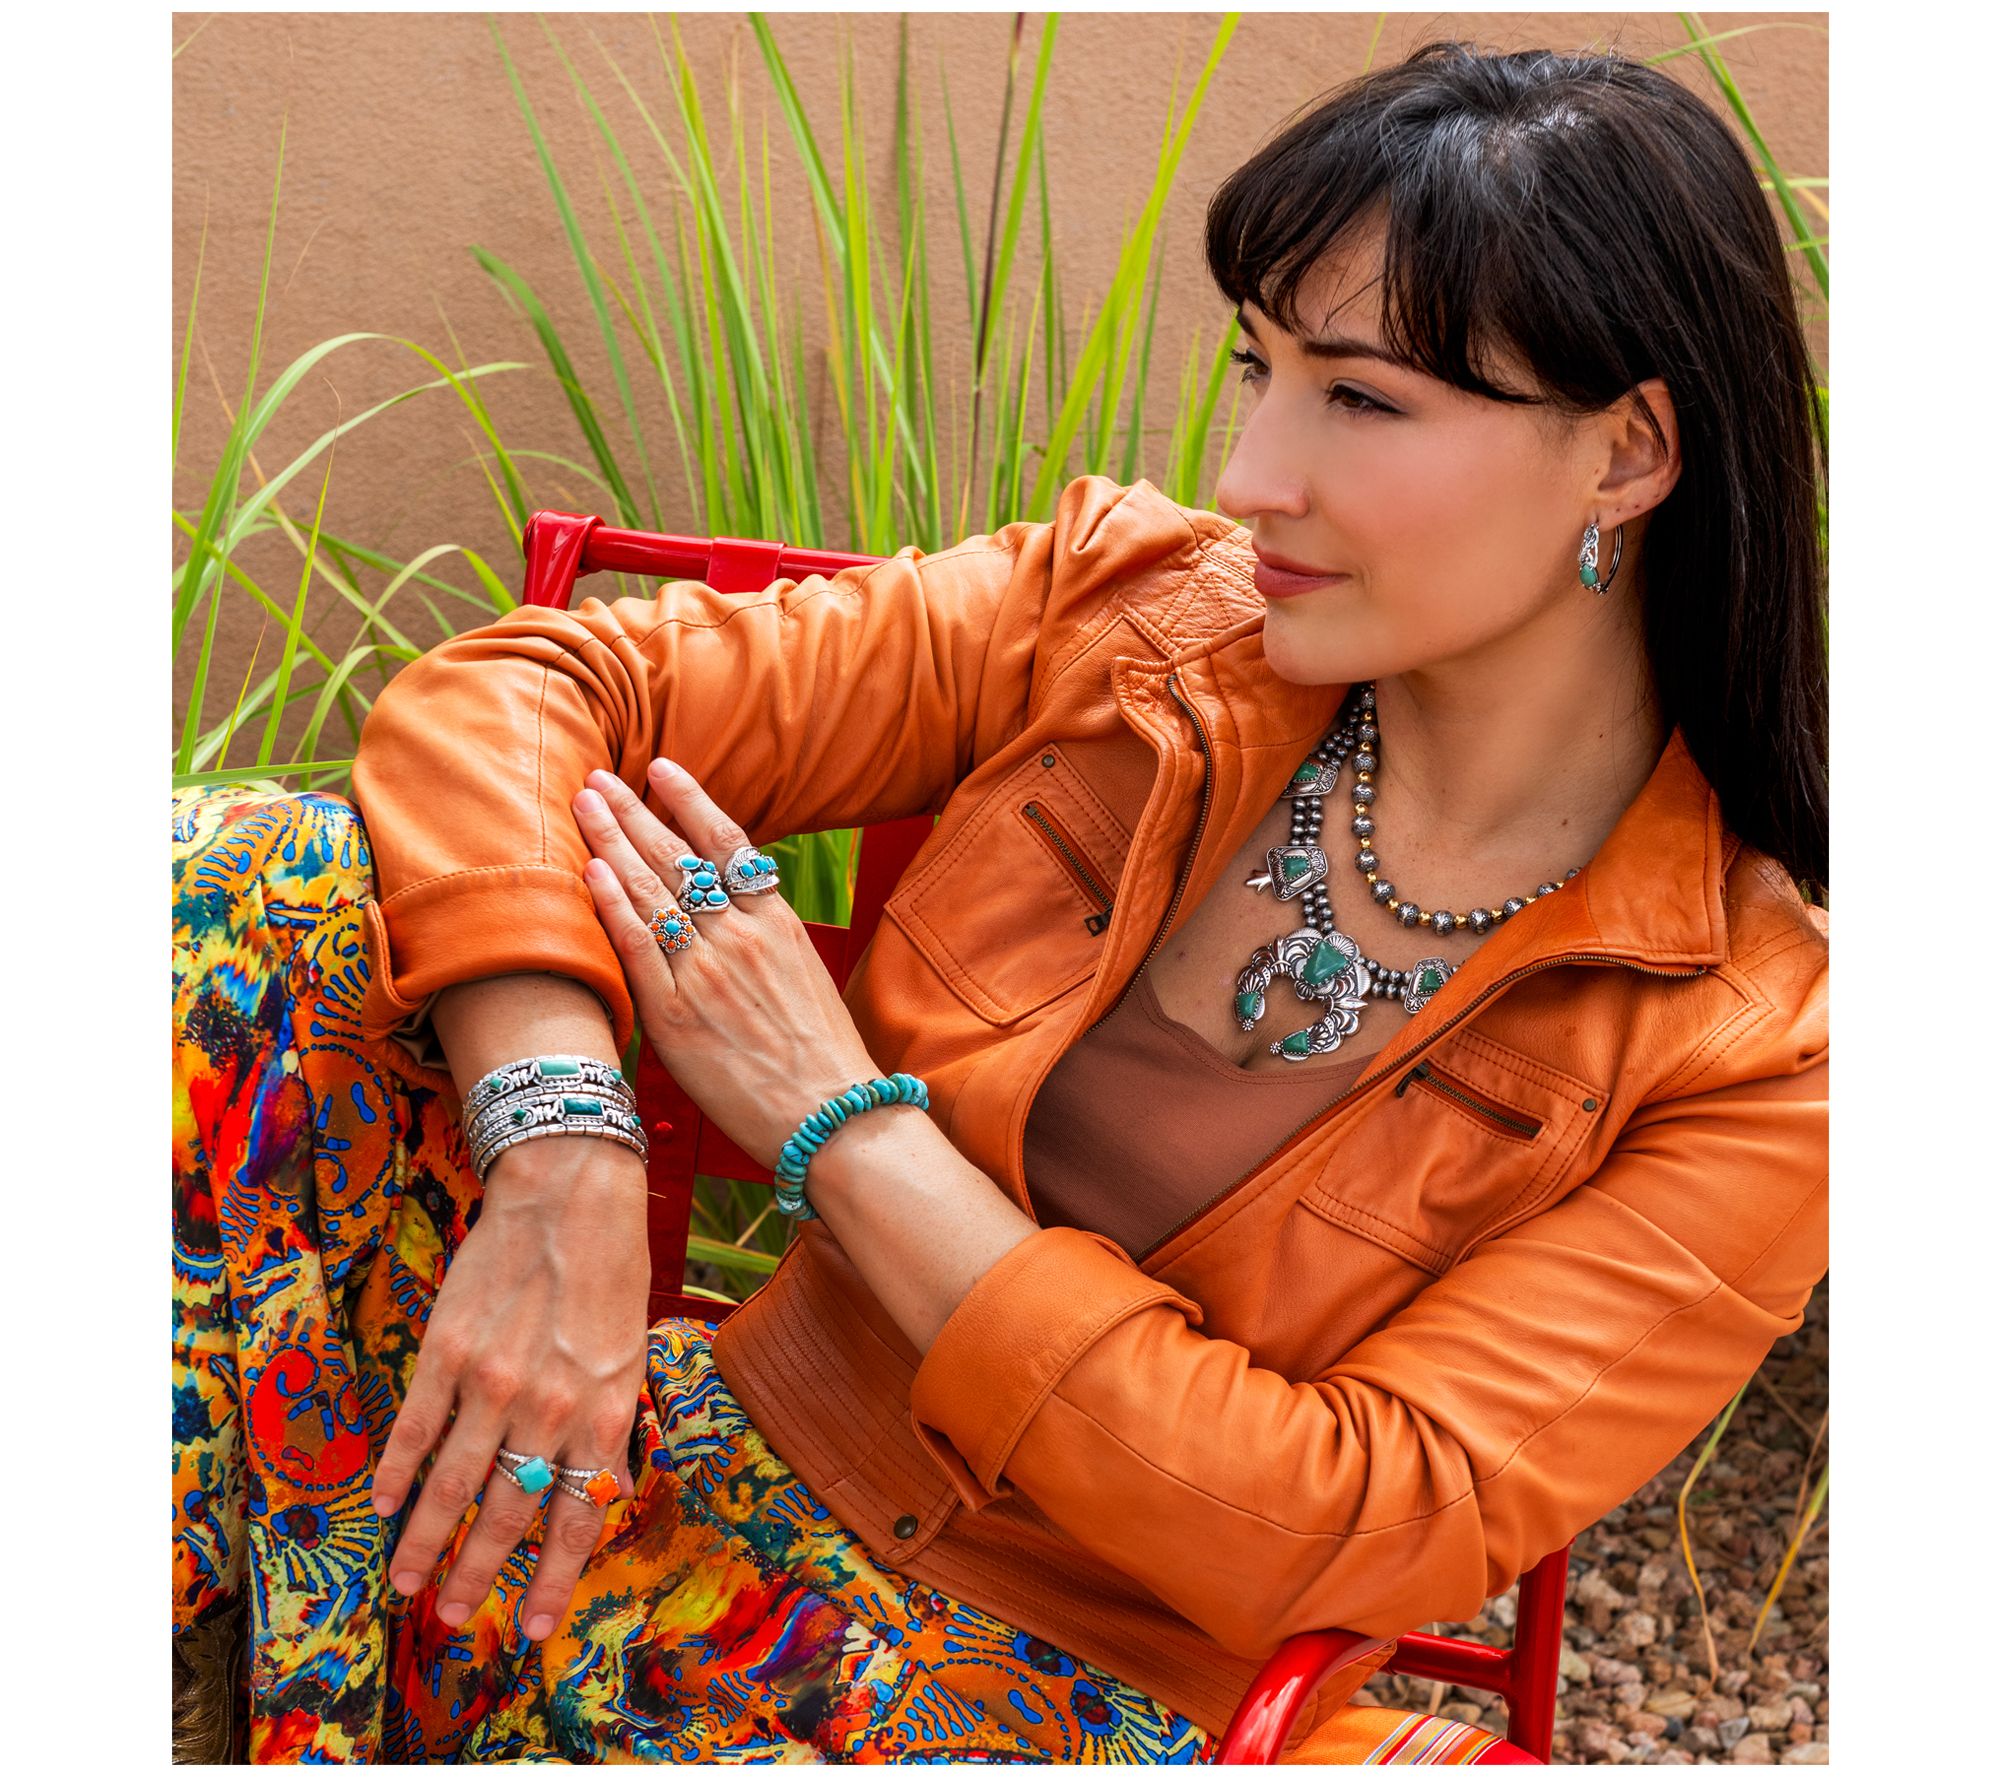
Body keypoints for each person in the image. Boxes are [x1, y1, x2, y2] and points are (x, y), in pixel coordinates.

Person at [171, 40, 1828, 1764]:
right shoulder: (1126, 619)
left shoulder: (1762, 1054)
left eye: (1360, 399)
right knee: (253, 882)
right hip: (624, 1492)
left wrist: (842, 1124)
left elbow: (1340, 1517)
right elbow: (518, 695)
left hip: (1063, 1700)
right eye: (1258, 370)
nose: (1254, 472)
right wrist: (565, 1146)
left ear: (1629, 452)